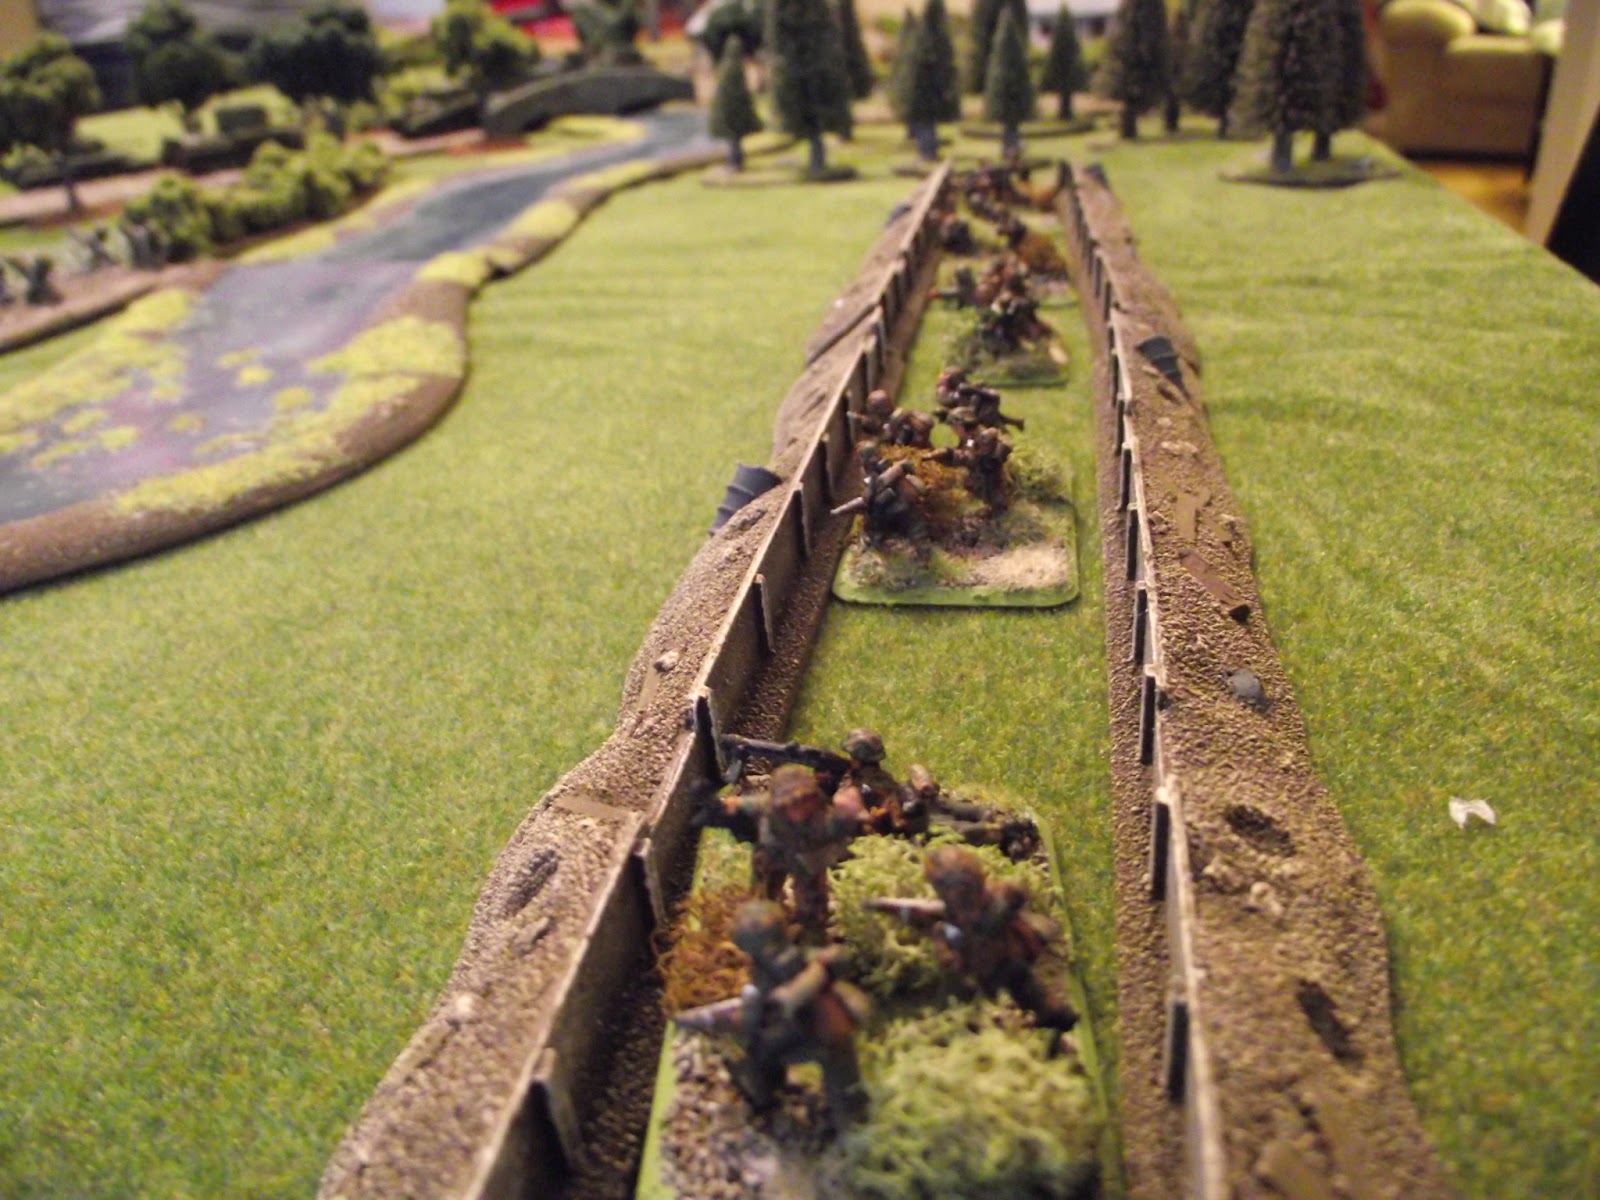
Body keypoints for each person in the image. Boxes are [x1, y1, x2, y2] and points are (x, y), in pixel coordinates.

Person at [674, 900, 869, 1123]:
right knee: (764, 1057)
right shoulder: (782, 964)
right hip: (808, 1029)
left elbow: (841, 960)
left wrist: (822, 967)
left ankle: (847, 1113)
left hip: (820, 1029)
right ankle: (769, 1097)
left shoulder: (803, 960)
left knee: (762, 1052)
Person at [720, 764, 865, 932]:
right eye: (794, 803)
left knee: (812, 902)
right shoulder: (766, 809)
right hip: (772, 856)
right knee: (763, 894)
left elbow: (836, 830)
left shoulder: (820, 816)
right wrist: (717, 808)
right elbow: (738, 807)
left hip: (806, 860)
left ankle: (812, 929)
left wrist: (849, 826)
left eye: (806, 800)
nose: (801, 808)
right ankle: (762, 928)